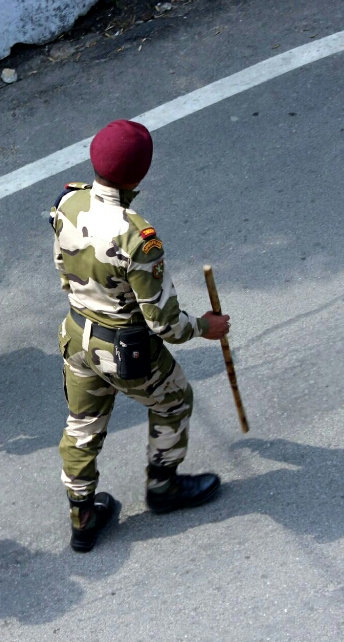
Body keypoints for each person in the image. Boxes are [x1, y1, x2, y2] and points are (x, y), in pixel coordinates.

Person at [50, 120, 231, 553]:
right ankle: (163, 487)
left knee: (83, 426)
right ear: (139, 175)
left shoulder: (68, 201)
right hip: (124, 349)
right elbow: (165, 324)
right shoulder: (138, 238)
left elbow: (64, 269)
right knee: (174, 400)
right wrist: (205, 327)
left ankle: (82, 517)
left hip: (77, 337)